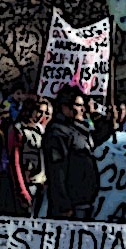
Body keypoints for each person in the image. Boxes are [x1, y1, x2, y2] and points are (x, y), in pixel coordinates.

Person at [44, 85, 98, 220]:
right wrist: (63, 204)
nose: (82, 109)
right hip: (70, 204)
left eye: (83, 105)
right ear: (65, 107)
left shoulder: (81, 130)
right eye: (78, 105)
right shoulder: (58, 132)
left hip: (85, 200)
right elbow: (57, 170)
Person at [8, 97, 51, 217]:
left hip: (41, 183)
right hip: (27, 183)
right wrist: (22, 191)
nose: (40, 116)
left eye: (43, 112)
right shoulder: (18, 129)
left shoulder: (40, 130)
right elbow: (14, 161)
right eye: (38, 111)